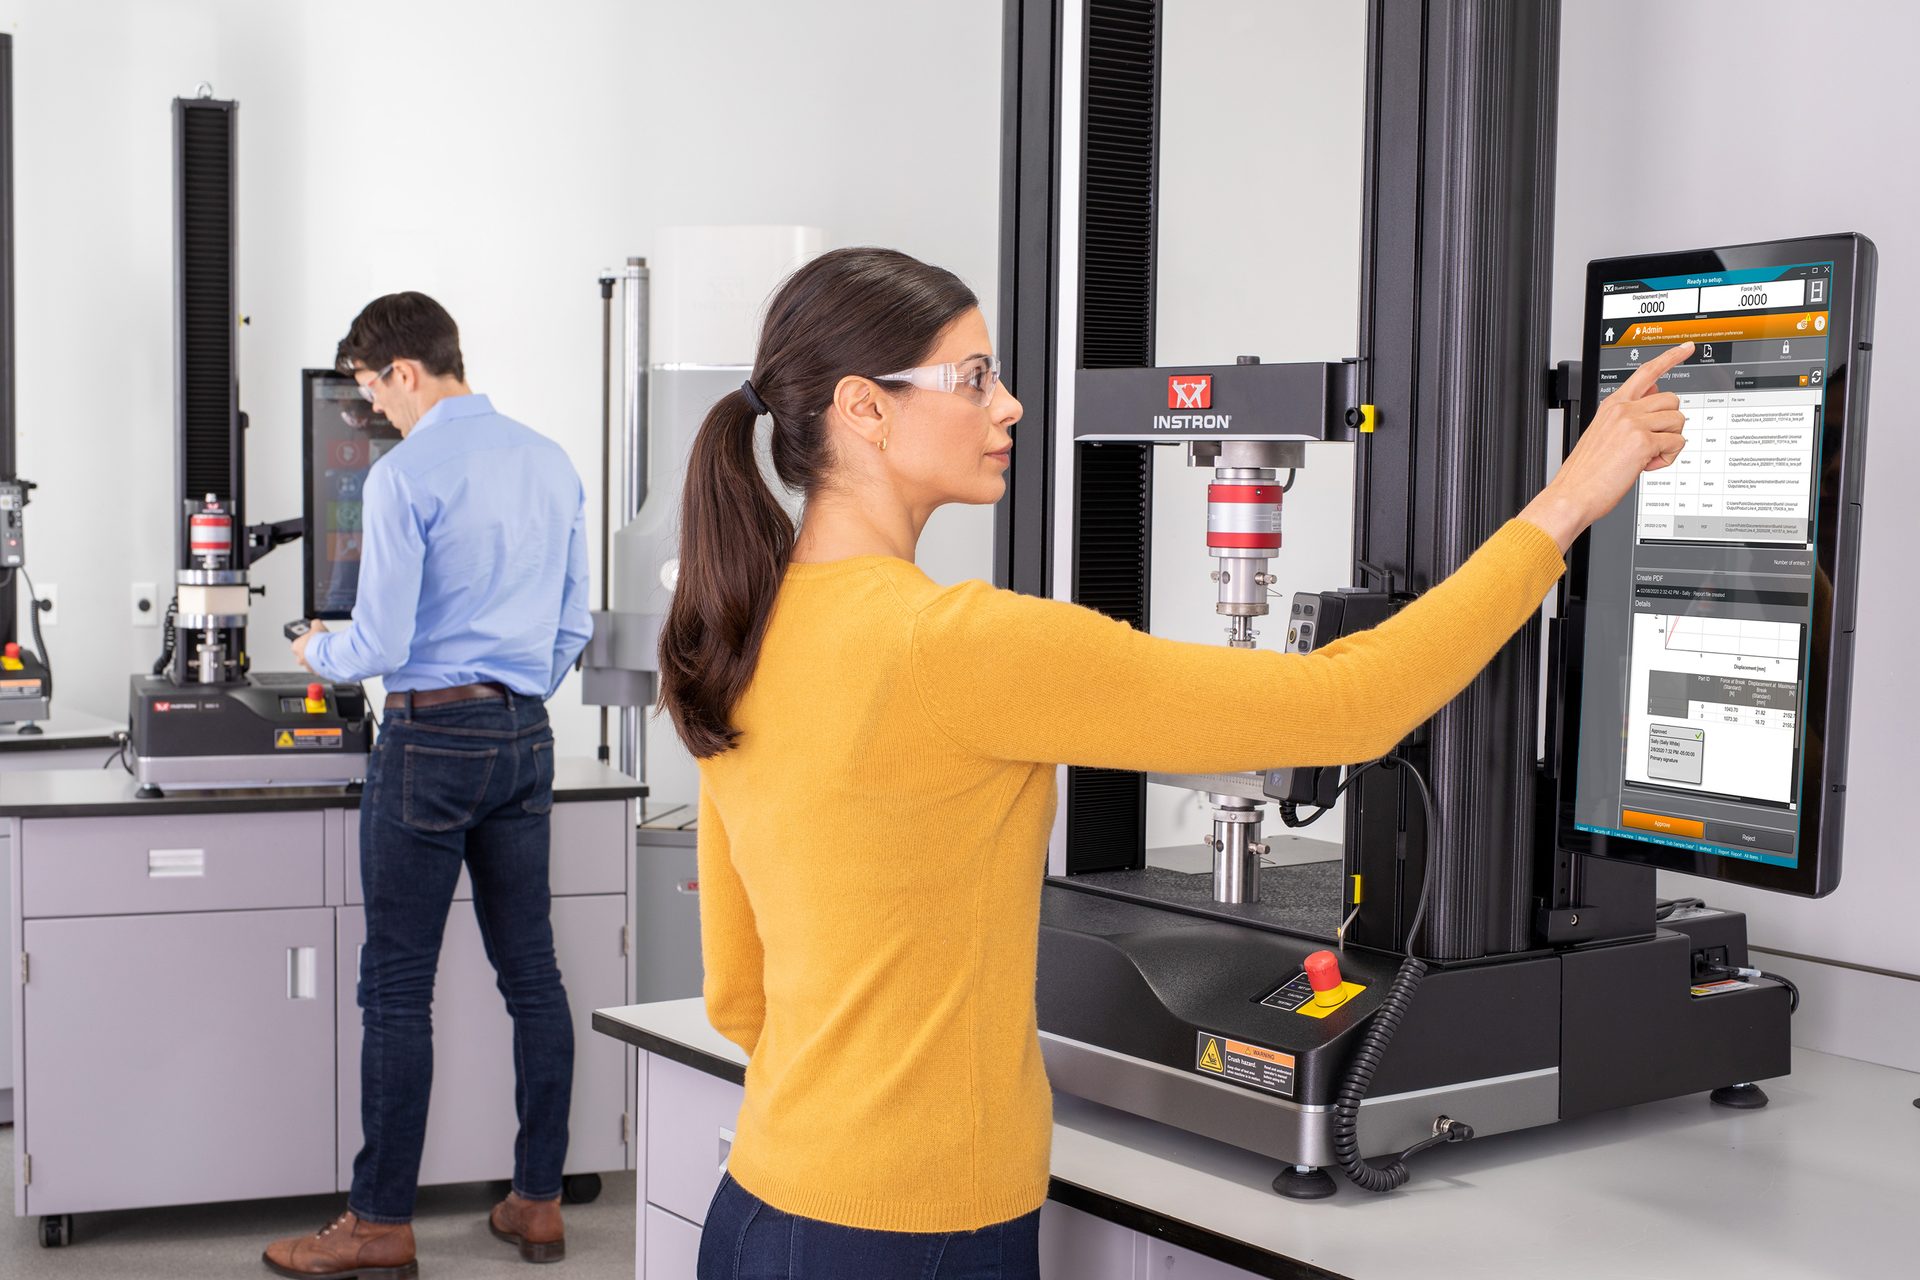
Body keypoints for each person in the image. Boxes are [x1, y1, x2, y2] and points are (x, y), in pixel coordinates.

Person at [659, 246, 1693, 1279]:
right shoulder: (960, 646)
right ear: (863, 408)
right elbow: (1349, 706)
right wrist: (1567, 502)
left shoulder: (740, 630)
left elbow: (738, 991)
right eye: (973, 377)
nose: (1010, 404)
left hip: (762, 1205)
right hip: (913, 1233)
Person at [264, 292, 593, 1279]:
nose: (372, 417)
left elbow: (384, 644)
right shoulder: (551, 459)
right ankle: (537, 1201)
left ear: (405, 371)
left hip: (429, 737)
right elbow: (573, 623)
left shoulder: (407, 476)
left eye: (371, 395)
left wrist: (315, 645)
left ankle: (378, 1221)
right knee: (531, 972)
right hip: (525, 731)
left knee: (396, 983)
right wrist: (516, 686)